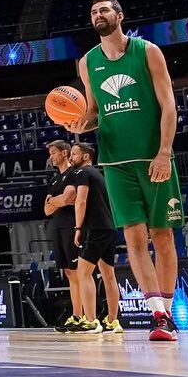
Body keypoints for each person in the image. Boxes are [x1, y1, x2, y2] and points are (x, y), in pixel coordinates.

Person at [70, 0, 182, 343]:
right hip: (114, 163)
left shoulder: (147, 52)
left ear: (119, 15)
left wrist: (164, 152)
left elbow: (169, 107)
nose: (98, 15)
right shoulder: (87, 62)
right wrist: (75, 122)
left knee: (162, 236)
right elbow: (92, 113)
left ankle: (168, 306)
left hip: (153, 158)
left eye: (104, 10)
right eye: (93, 12)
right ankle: (158, 315)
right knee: (134, 238)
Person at [67, 142, 123, 335]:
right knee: (109, 275)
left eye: (74, 154)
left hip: (96, 228)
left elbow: (81, 200)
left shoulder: (82, 173)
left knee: (83, 274)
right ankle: (113, 321)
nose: (70, 158)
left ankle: (91, 321)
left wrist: (78, 228)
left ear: (85, 157)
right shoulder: (101, 174)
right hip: (110, 228)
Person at [41, 141, 81, 331]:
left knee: (78, 271)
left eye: (54, 152)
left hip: (72, 227)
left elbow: (68, 198)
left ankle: (84, 315)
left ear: (64, 153)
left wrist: (55, 201)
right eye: (50, 153)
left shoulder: (73, 174)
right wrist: (60, 201)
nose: (51, 156)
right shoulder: (54, 180)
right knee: (68, 273)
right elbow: (46, 210)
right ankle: (76, 315)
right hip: (56, 228)